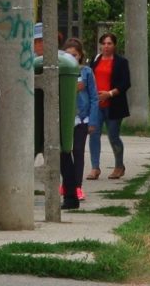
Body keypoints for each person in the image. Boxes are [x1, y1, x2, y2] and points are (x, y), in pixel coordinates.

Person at [87, 33, 131, 180]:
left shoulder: (121, 62)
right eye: (104, 43)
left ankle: (119, 166)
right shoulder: (95, 60)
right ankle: (95, 168)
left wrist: (110, 94)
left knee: (113, 136)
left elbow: (126, 83)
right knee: (94, 134)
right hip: (96, 106)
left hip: (114, 105)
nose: (106, 46)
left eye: (109, 43)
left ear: (114, 45)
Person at [61, 38, 99, 208]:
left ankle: (77, 187)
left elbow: (94, 97)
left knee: (78, 151)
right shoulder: (61, 71)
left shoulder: (86, 72)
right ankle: (67, 184)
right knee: (64, 152)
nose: (72, 58)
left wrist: (92, 120)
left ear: (80, 56)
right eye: (68, 55)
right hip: (65, 117)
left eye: (75, 55)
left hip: (82, 118)